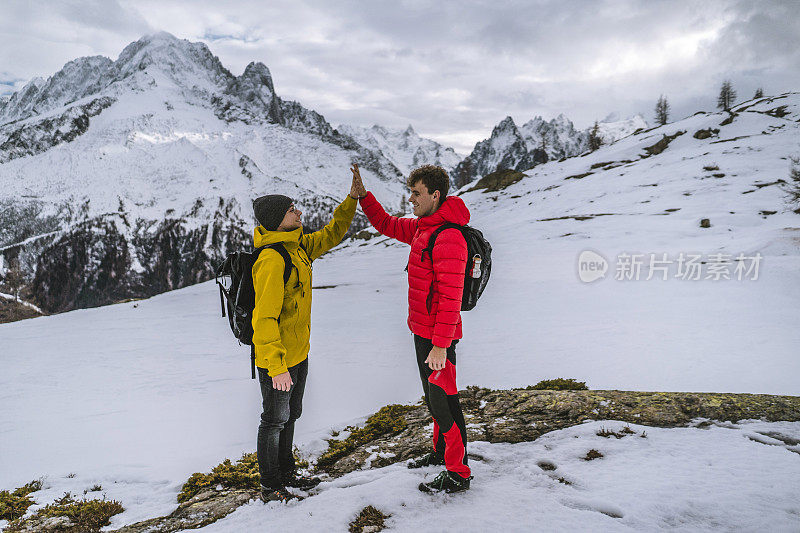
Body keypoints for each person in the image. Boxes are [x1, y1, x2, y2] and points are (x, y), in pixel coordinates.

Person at [350, 163, 473, 493]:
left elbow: (450, 297)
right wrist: (364, 197)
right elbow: (387, 224)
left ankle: (458, 472)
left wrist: (441, 344)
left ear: (434, 195)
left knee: (444, 402)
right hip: (422, 331)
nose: (410, 199)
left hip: (438, 338)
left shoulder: (448, 237)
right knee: (433, 400)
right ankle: (440, 453)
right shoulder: (423, 229)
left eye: (416, 193)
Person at [251, 172, 363, 502]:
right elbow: (264, 319)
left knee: (290, 415)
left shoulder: (297, 246)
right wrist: (276, 366)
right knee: (273, 421)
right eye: (291, 211)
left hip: (298, 353)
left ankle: (287, 472)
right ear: (276, 220)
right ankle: (270, 486)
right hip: (278, 361)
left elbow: (332, 233)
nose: (298, 213)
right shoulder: (273, 260)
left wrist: (352, 199)